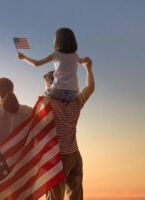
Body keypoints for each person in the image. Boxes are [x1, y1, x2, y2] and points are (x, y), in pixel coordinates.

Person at [45, 57, 95, 200]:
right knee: (76, 197)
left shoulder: (48, 103)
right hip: (75, 156)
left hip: (58, 158)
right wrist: (88, 68)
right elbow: (90, 88)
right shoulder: (76, 101)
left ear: (51, 85)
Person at [17, 27, 88, 101]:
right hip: (73, 92)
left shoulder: (56, 54)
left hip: (57, 90)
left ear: (58, 41)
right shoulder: (75, 55)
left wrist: (23, 57)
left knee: (42, 100)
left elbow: (36, 63)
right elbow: (81, 61)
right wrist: (86, 60)